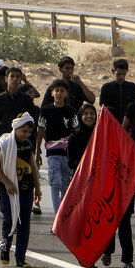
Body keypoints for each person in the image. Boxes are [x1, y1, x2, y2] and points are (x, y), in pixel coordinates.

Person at [0, 115, 40, 268]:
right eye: (24, 131)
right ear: (16, 128)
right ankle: (5, 246)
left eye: (29, 132)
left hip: (26, 190)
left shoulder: (27, 145)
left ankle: (20, 258)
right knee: (9, 220)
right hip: (8, 191)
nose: (26, 135)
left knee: (24, 224)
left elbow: (32, 167)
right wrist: (6, 182)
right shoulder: (4, 144)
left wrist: (37, 188)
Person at [38, 80, 79, 212]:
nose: (59, 94)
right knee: (55, 183)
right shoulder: (45, 110)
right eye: (57, 91)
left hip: (67, 153)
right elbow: (40, 130)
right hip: (52, 153)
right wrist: (37, 150)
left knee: (66, 184)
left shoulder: (71, 111)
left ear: (66, 93)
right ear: (52, 93)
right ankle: (57, 215)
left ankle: (63, 215)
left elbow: (75, 132)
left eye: (62, 91)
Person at [98, 58, 135, 124]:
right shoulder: (106, 88)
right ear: (113, 71)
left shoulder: (132, 87)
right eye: (118, 74)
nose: (121, 77)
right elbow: (103, 108)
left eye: (124, 74)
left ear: (127, 71)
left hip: (128, 125)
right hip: (111, 124)